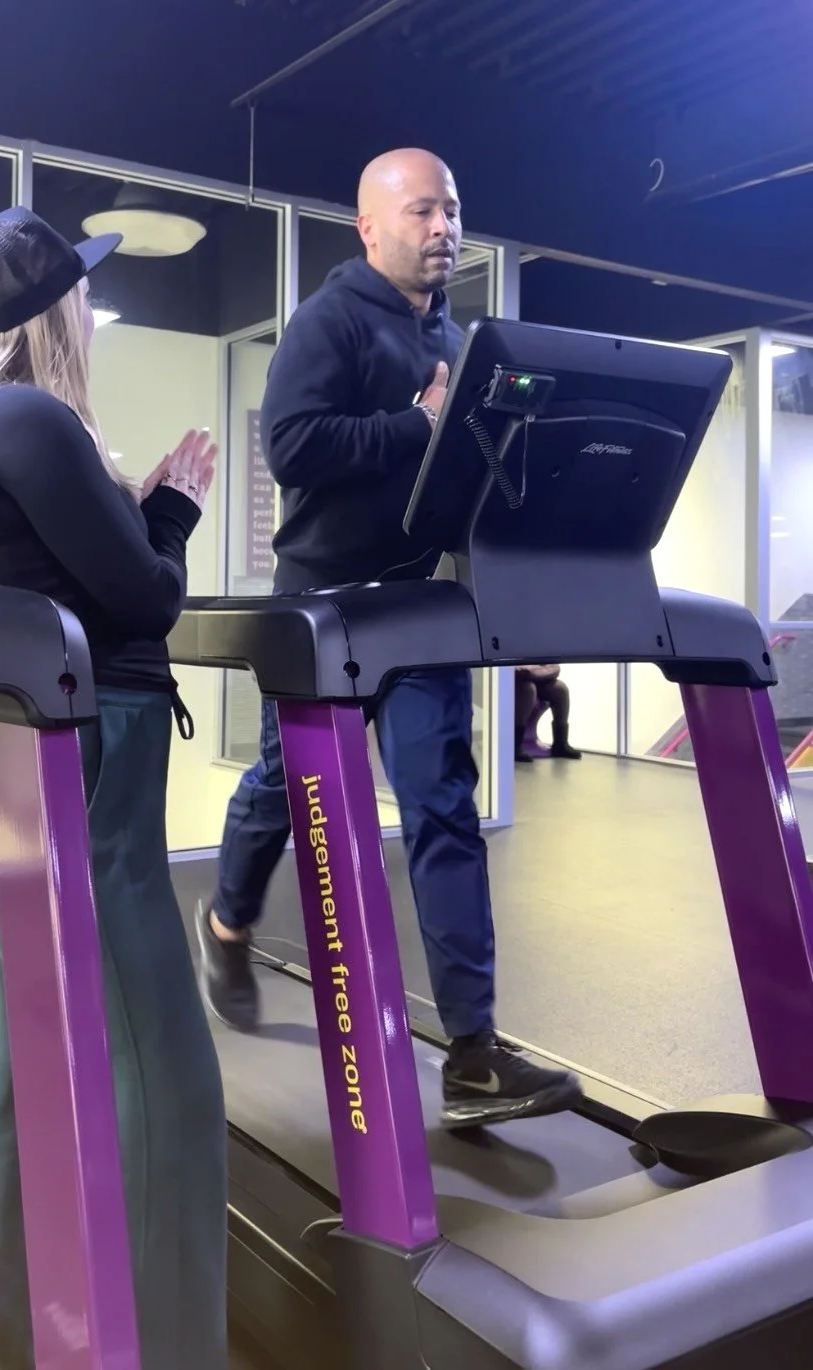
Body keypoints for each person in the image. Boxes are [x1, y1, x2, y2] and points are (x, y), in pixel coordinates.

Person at [196, 148, 583, 1129]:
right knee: (279, 786)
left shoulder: (454, 334)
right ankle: (228, 915)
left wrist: (522, 608)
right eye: (421, 211)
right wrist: (415, 425)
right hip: (325, 607)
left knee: (441, 807)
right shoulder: (328, 322)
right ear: (369, 227)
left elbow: (469, 491)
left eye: (451, 210)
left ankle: (472, 1050)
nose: (442, 227)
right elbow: (290, 447)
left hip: (417, 610)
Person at [0, 208, 227, 1370]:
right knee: (161, 1069)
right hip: (85, 759)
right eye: (82, 292)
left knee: (30, 1043)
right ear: (57, 312)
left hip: (14, 751)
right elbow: (141, 602)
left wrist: (137, 519)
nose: (90, 306)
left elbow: (82, 580)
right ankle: (172, 1345)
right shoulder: (33, 415)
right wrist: (177, 510)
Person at [514, 665, 583, 762]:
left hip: (534, 673)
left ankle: (560, 744)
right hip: (514, 676)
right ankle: (515, 746)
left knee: (560, 689)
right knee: (528, 689)